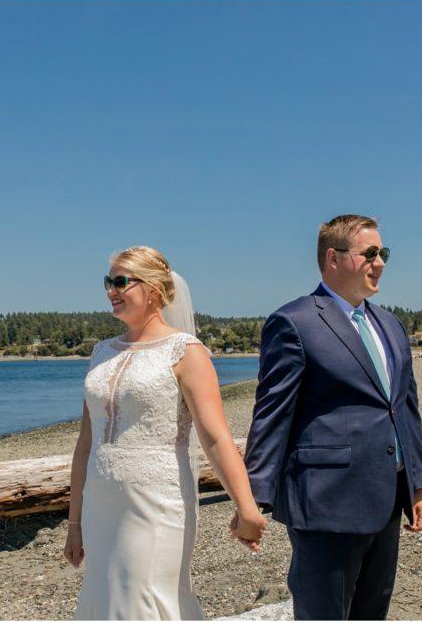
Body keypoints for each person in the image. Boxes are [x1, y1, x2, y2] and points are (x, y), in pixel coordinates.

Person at [243, 214, 422, 620]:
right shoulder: (294, 322)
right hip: (325, 501)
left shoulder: (391, 325)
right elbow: (272, 415)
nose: (379, 262)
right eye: (370, 253)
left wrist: (417, 484)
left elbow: (405, 409)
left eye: (383, 253)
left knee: (372, 612)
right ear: (333, 257)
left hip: (387, 496)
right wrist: (253, 499)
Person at [65, 245, 266, 620]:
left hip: (156, 503)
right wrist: (74, 523)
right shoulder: (101, 352)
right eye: (108, 281)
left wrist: (246, 507)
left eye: (121, 281)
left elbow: (215, 437)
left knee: (146, 602)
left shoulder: (185, 352)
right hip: (100, 505)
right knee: (104, 602)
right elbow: (85, 446)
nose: (111, 290)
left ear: (154, 289)